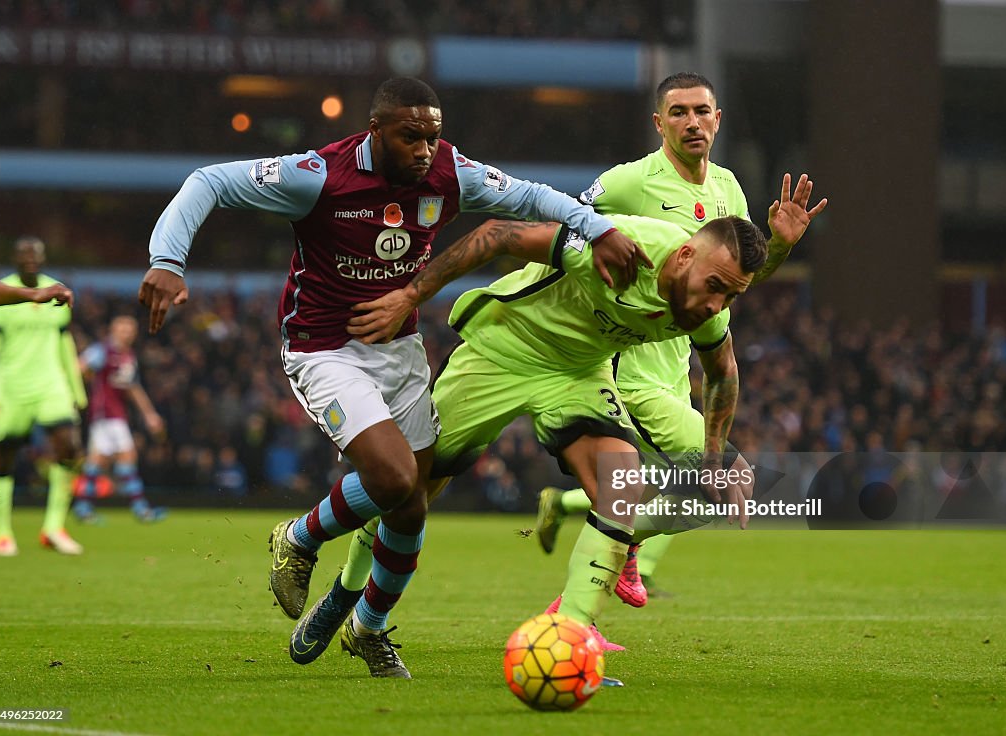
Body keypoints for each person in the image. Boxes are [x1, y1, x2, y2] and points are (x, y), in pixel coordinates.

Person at [138, 77, 646, 678]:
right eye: (412, 137)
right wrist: (167, 261)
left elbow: (534, 198)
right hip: (324, 349)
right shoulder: (318, 174)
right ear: (376, 131)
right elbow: (209, 181)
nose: (426, 149)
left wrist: (599, 228)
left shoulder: (450, 173)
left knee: (410, 508)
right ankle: (300, 537)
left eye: (434, 136)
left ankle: (369, 629)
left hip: (399, 351)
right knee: (397, 477)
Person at [294, 212, 767, 679]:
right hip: (504, 349)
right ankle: (345, 590)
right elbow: (497, 235)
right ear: (684, 255)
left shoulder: (709, 307)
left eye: (730, 295)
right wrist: (411, 294)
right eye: (714, 285)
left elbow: (723, 372)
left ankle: (569, 642)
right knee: (407, 490)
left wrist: (711, 457)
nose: (716, 304)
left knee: (621, 484)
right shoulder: (623, 249)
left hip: (578, 373)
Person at [536, 72, 827, 606]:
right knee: (721, 481)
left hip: (678, 368)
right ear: (658, 123)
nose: (691, 122)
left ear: (718, 120)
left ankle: (593, 587)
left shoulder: (729, 190)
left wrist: (780, 249)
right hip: (623, 362)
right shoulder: (629, 182)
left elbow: (736, 281)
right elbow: (565, 231)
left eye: (701, 111)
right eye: (678, 112)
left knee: (669, 493)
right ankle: (588, 598)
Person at [0, 236, 86, 557]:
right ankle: (2, 533)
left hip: (50, 384)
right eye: (24, 254)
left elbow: (63, 344)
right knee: (3, 457)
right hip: (11, 386)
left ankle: (54, 528)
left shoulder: (57, 290)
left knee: (69, 446)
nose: (30, 259)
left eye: (36, 254)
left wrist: (75, 390)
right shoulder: (1, 292)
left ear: (44, 258)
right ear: (14, 258)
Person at [71, 315, 167, 524]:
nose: (127, 333)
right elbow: (79, 367)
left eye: (130, 330)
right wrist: (78, 392)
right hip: (105, 414)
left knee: (99, 461)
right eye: (123, 329)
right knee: (124, 457)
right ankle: (139, 508)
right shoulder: (102, 350)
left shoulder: (127, 356)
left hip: (116, 414)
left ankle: (83, 507)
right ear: (113, 330)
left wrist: (149, 414)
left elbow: (132, 388)